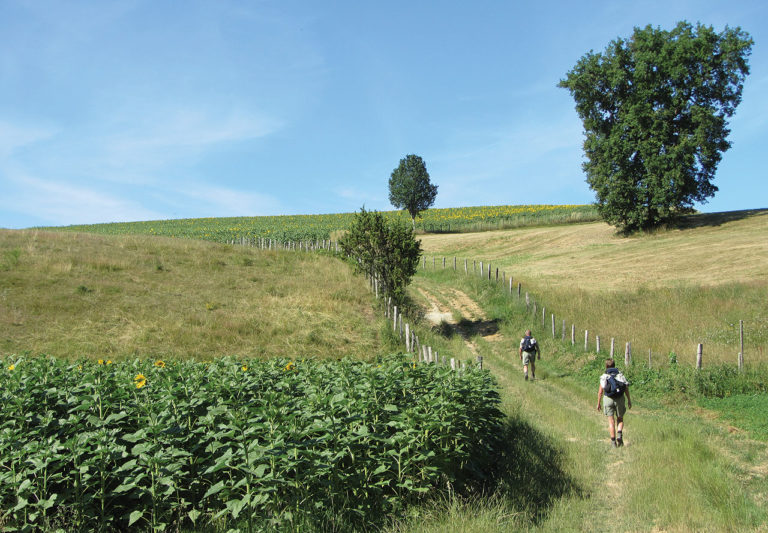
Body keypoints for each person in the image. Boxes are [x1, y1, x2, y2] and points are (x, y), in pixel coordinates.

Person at [596, 359, 632, 447]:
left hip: (608, 399)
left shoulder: (604, 376)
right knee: (620, 419)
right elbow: (626, 388)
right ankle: (619, 434)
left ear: (606, 366)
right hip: (619, 398)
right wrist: (629, 400)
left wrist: (598, 403)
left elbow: (600, 391)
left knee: (611, 422)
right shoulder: (620, 375)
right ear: (614, 365)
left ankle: (613, 442)